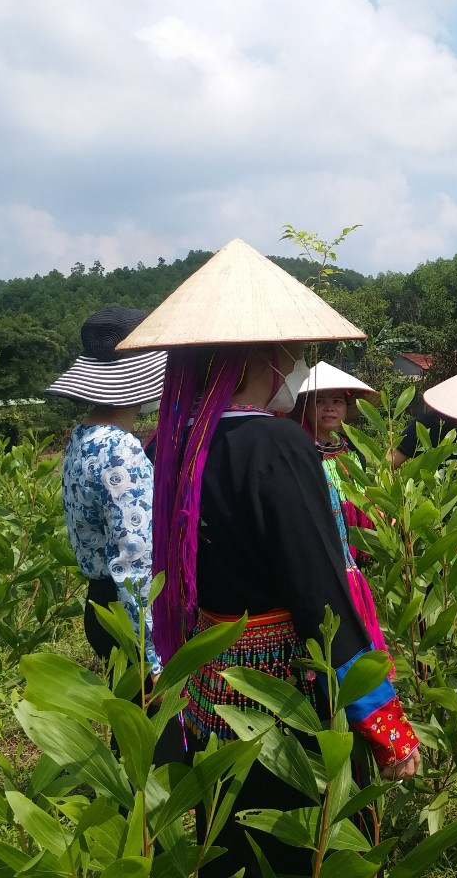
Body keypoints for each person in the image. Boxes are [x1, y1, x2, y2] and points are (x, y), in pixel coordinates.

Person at [119, 239, 419, 877]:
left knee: (231, 833)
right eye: (298, 352)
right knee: (294, 835)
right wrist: (380, 717)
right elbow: (319, 591)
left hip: (211, 677)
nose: (301, 366)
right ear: (267, 354)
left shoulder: (182, 440)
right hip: (280, 684)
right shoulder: (276, 442)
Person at [47, 306, 167, 672]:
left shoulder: (82, 437)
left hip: (98, 604)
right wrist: (150, 655)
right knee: (152, 727)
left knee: (125, 726)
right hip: (128, 616)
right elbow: (134, 558)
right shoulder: (121, 448)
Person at [291, 361, 385, 638]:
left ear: (347, 408)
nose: (329, 408)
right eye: (319, 401)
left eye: (336, 401)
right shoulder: (299, 452)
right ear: (305, 407)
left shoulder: (351, 451)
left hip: (351, 554)